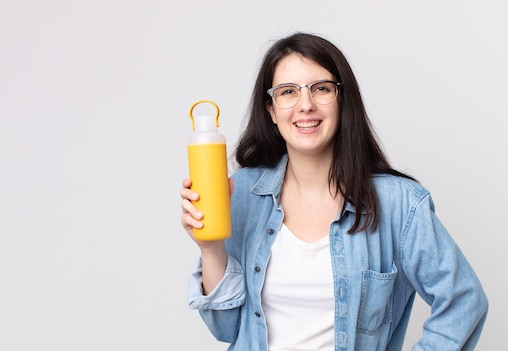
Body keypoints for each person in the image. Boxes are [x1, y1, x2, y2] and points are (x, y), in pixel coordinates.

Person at [180, 32, 488, 351]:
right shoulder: (242, 193)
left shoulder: (399, 204)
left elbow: (464, 302)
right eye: (288, 92)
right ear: (271, 109)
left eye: (321, 88)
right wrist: (211, 248)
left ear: (342, 99)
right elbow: (227, 328)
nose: (306, 105)